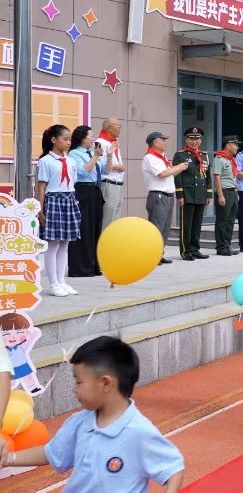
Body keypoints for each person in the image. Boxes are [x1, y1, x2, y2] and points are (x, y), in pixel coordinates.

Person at [0, 336, 185, 490]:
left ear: (106, 383)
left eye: (79, 382)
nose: (74, 389)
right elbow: (52, 453)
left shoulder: (139, 431)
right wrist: (10, 458)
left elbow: (173, 469)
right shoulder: (79, 423)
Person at [36, 125, 80, 297]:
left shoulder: (72, 161)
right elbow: (41, 188)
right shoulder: (45, 161)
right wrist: (40, 210)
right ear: (54, 140)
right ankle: (53, 283)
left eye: (70, 139)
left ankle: (62, 281)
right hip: (53, 201)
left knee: (65, 244)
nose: (68, 142)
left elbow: (72, 183)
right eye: (65, 139)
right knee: (53, 244)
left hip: (69, 200)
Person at [68, 125, 110, 277]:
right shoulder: (74, 154)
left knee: (95, 228)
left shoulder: (92, 153)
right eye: (90, 136)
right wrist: (96, 157)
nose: (93, 139)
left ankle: (94, 265)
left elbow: (106, 170)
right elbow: (83, 171)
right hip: (83, 190)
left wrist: (109, 155)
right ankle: (81, 267)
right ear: (82, 138)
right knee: (84, 228)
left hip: (95, 190)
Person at [142, 131, 188, 264]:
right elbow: (162, 174)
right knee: (156, 227)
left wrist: (177, 168)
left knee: (165, 228)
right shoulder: (150, 157)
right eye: (163, 140)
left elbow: (169, 173)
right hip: (158, 196)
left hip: (167, 196)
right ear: (156, 142)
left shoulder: (161, 157)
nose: (165, 143)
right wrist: (180, 167)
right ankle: (151, 255)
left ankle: (159, 254)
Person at [172, 127, 212, 261]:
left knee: (197, 224)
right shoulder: (180, 155)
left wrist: (209, 194)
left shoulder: (204, 156)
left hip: (200, 194)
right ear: (186, 140)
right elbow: (177, 176)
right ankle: (186, 250)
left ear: (201, 140)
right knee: (186, 224)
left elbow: (207, 177)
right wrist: (180, 195)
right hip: (187, 194)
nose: (194, 142)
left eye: (197, 139)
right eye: (191, 139)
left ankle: (195, 249)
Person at [213, 137, 241, 257]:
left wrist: (236, 193)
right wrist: (220, 195)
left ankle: (227, 245)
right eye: (235, 145)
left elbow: (233, 178)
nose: (237, 147)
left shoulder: (232, 160)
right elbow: (217, 177)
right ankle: (221, 247)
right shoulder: (219, 159)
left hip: (233, 192)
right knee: (222, 221)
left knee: (230, 221)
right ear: (228, 145)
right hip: (224, 191)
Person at [96, 118, 126, 229]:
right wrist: (117, 167)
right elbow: (97, 165)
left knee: (115, 221)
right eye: (118, 126)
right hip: (108, 184)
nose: (120, 129)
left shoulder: (112, 142)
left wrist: (119, 166)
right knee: (108, 220)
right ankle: (104, 240)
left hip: (118, 184)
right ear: (109, 127)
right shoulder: (100, 142)